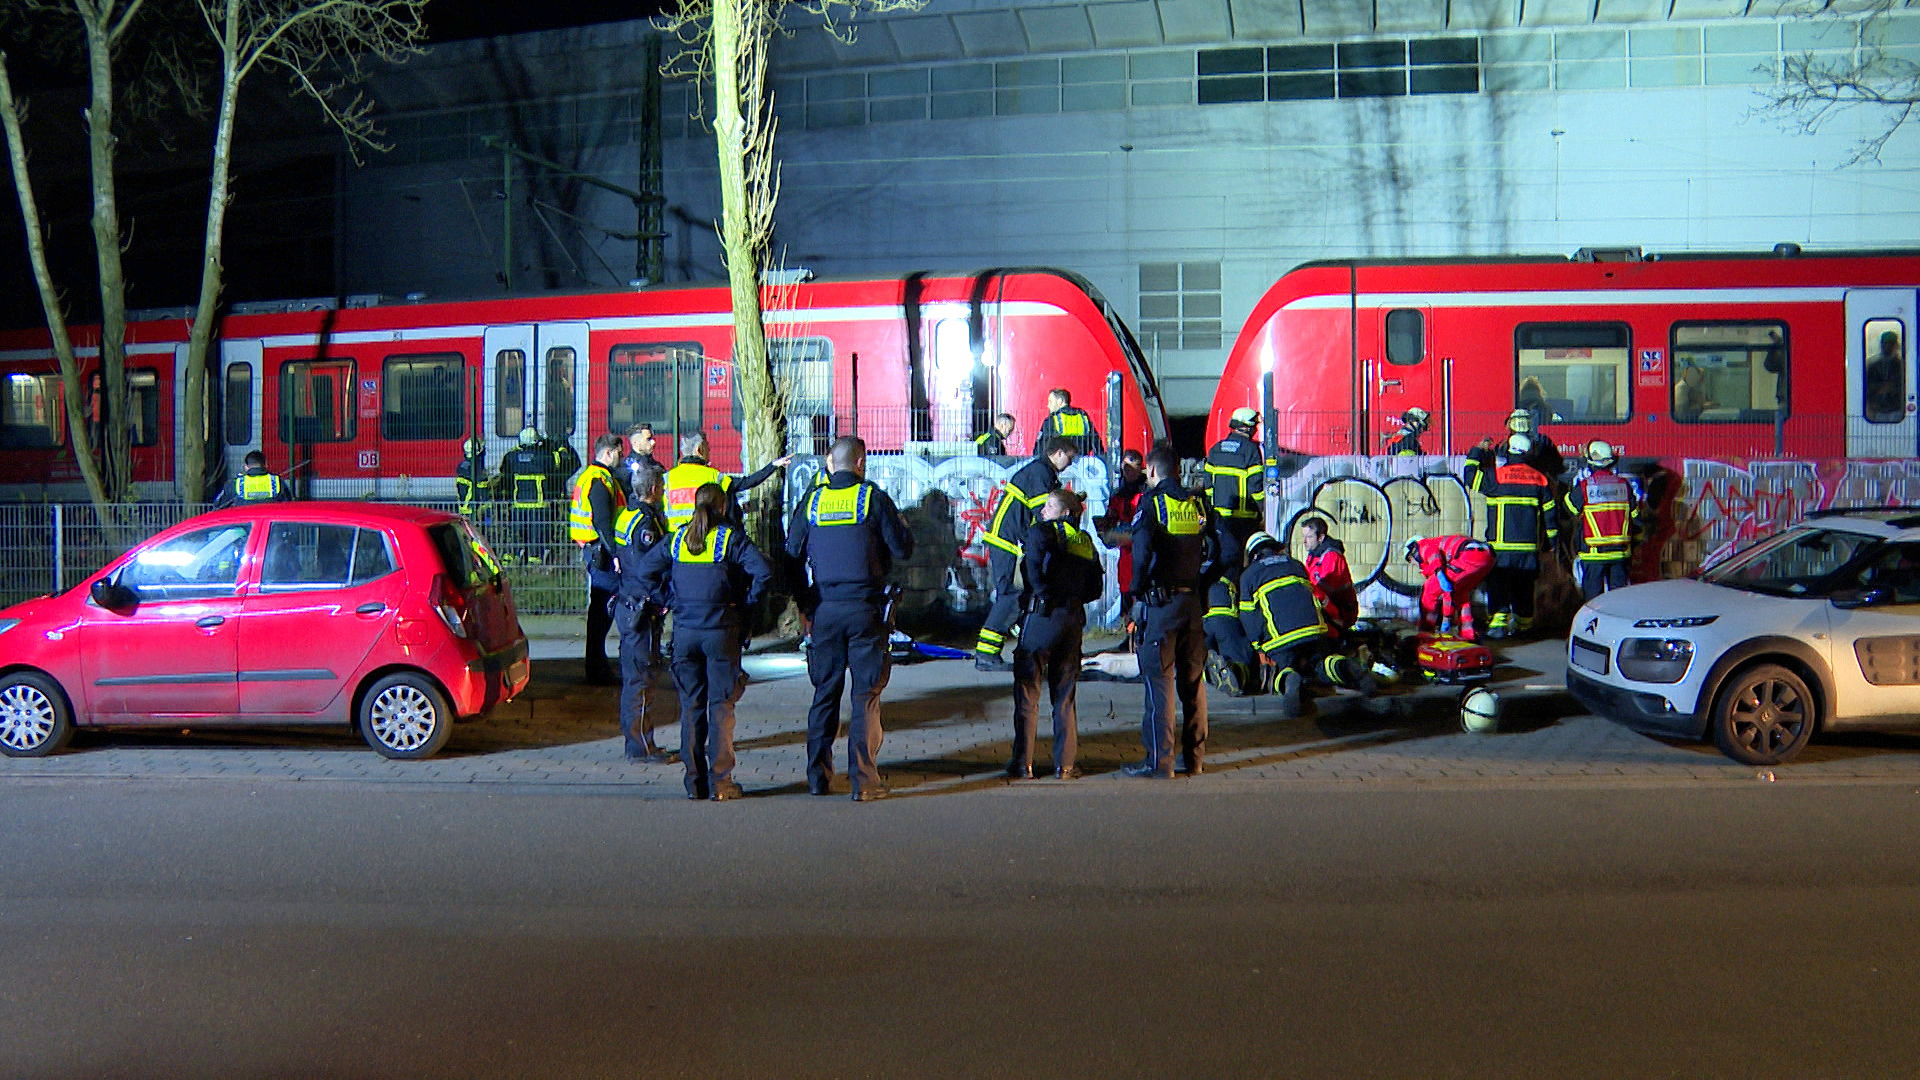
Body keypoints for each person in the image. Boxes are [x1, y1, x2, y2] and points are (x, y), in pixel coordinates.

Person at [786, 436, 914, 802]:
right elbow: (902, 549)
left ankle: (817, 778)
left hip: (824, 610)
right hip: (865, 611)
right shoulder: (872, 498)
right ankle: (864, 781)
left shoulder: (812, 500)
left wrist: (805, 603)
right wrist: (901, 525)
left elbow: (790, 554)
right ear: (861, 463)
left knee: (824, 693)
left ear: (831, 463)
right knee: (865, 696)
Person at [634, 483, 773, 801]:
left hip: (685, 635)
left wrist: (668, 599)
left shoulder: (680, 538)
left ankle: (694, 782)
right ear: (723, 508)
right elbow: (763, 571)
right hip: (721, 632)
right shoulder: (729, 538)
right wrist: (745, 603)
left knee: (691, 707)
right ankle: (720, 783)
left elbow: (644, 570)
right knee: (721, 707)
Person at [1124, 446, 1212, 778]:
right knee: (1193, 684)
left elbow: (1143, 552)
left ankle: (1160, 762)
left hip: (1160, 605)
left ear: (1152, 471)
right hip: (1192, 604)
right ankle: (1194, 760)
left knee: (1158, 684)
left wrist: (1136, 590)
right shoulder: (1197, 504)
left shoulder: (1153, 503)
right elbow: (1217, 548)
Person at [1007, 490, 1104, 781]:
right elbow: (1095, 589)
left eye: (1049, 506)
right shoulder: (1084, 541)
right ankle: (1066, 765)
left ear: (1064, 512)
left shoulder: (1040, 533)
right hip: (1072, 620)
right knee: (1064, 696)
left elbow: (1032, 570)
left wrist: (1043, 596)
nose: (1043, 510)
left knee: (1027, 693)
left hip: (1041, 617)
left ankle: (1023, 765)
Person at [1238, 531, 1370, 718]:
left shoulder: (1248, 576)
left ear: (1253, 554)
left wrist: (1257, 645)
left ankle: (1290, 678)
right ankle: (1348, 669)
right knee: (1322, 662)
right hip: (1315, 631)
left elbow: (1249, 617)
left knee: (1284, 667)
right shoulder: (1296, 565)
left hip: (1282, 639)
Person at [974, 437, 1078, 670]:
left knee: (1019, 596)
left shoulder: (1041, 471)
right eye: (1069, 458)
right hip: (1006, 542)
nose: (1070, 463)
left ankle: (1026, 646)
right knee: (1010, 595)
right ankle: (986, 655)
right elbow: (1045, 513)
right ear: (1058, 452)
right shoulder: (1041, 473)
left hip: (1008, 540)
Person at [1463, 432, 1557, 639]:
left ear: (1508, 451)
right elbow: (1551, 514)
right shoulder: (1539, 479)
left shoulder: (1495, 477)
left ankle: (1498, 626)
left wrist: (1477, 450)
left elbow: (1470, 476)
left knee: (1498, 587)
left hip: (1501, 548)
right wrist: (1551, 542)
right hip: (1528, 549)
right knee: (1524, 588)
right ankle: (1524, 627)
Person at [612, 468, 675, 763]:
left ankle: (640, 742)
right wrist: (665, 599)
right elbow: (649, 569)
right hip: (641, 608)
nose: (663, 490)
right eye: (661, 485)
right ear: (653, 488)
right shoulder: (647, 522)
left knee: (636, 677)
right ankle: (640, 747)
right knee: (641, 679)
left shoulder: (626, 516)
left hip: (628, 604)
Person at [570, 435, 629, 684]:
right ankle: (597, 669)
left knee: (600, 612)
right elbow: (603, 523)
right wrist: (616, 555)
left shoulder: (594, 477)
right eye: (618, 452)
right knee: (602, 613)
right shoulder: (598, 480)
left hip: (596, 551)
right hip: (601, 554)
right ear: (607, 453)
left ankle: (597, 667)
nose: (621, 457)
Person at [661, 432, 793, 531]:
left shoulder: (666, 479)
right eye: (708, 447)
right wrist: (774, 465)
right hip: (708, 540)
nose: (710, 451)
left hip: (675, 543)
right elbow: (747, 482)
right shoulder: (714, 477)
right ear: (700, 450)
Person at [1562, 441, 1642, 600]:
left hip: (1594, 555)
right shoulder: (1624, 485)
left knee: (1593, 602)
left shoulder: (1585, 486)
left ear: (1590, 461)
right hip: (1620, 553)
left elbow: (1569, 508)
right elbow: (1635, 516)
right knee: (1618, 600)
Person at [1203, 407, 1270, 567]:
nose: (1255, 429)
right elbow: (1256, 488)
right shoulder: (1251, 451)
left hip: (1219, 519)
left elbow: (1208, 487)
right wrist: (1264, 510)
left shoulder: (1215, 449)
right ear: (1246, 427)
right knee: (1243, 561)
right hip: (1244, 519)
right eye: (1254, 426)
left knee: (1221, 559)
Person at [1405, 534, 1496, 640]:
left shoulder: (1423, 545)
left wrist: (1439, 573)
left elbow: (1433, 554)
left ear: (1413, 550)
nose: (1413, 564)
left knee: (1430, 588)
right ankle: (1468, 633)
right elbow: (1449, 592)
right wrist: (1446, 618)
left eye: (1410, 560)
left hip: (1470, 555)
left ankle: (1426, 631)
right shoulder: (1440, 543)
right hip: (1487, 557)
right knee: (1460, 594)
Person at [501, 427, 554, 563]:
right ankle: (534, 557)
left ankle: (515, 554)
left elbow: (504, 474)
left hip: (518, 502)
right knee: (537, 531)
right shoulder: (545, 456)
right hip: (539, 503)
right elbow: (555, 468)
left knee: (517, 530)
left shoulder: (511, 457)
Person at [1298, 516, 1358, 631]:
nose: (1304, 541)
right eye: (1304, 537)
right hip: (1327, 610)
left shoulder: (1332, 557)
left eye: (1309, 537)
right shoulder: (1314, 555)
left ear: (1320, 537)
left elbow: (1322, 591)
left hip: (1339, 613)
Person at [1035, 387, 1105, 455]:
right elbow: (1096, 443)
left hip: (1059, 464)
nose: (1048, 405)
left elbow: (1040, 447)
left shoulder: (1052, 420)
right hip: (1081, 462)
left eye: (1050, 401)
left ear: (1060, 401)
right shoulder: (1083, 418)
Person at [214, 450, 291, 508]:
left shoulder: (236, 484)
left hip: (244, 526)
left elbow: (219, 506)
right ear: (266, 464)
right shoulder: (277, 482)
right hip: (270, 526)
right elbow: (289, 504)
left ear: (246, 466)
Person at [614, 423, 665, 500]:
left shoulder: (657, 466)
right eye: (648, 439)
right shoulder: (624, 470)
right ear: (635, 443)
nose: (653, 442)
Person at [1865, 329, 1906, 423]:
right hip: (1878, 409)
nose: (1888, 346)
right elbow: (1867, 386)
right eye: (1886, 343)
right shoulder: (1872, 365)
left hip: (1897, 409)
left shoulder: (1901, 365)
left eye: (1890, 344)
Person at [454, 438, 492, 518]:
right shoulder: (475, 468)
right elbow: (482, 491)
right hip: (473, 510)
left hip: (463, 509)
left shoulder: (462, 466)